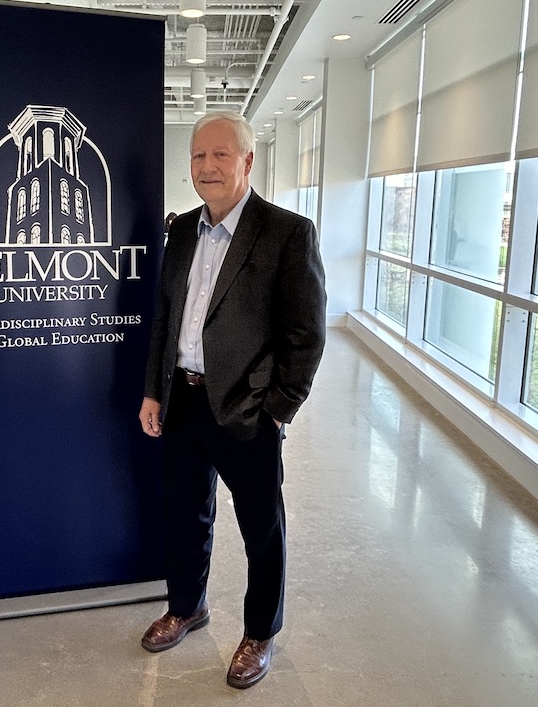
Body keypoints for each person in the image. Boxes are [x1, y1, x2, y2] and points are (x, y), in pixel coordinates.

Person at [138, 112, 327, 689]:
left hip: (248, 412)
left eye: (221, 155)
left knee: (260, 527)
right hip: (183, 403)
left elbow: (306, 335)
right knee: (184, 514)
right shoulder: (182, 232)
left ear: (248, 161)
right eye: (198, 157)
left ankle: (259, 633)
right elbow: (166, 319)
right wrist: (154, 390)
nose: (207, 167)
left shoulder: (287, 234)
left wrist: (277, 409)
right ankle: (187, 606)